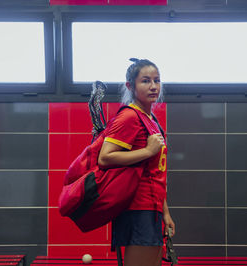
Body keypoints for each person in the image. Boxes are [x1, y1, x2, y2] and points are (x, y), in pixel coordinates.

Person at [98, 58, 175, 266]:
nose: (153, 86)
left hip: (153, 208)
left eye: (157, 80)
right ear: (130, 86)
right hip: (137, 208)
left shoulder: (152, 120)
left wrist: (165, 213)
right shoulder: (129, 117)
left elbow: (156, 172)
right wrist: (148, 150)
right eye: (146, 81)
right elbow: (104, 158)